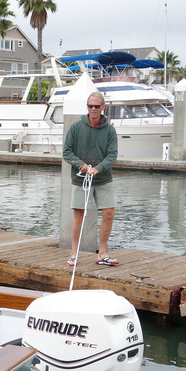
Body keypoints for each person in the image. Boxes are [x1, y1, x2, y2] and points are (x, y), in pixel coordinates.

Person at [62, 90, 119, 266]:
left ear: (103, 107)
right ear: (87, 107)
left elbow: (112, 155)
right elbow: (66, 152)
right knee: (78, 213)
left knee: (109, 213)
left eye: (96, 106)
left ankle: (102, 253)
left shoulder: (110, 130)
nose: (93, 109)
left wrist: (98, 168)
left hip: (103, 178)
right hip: (81, 178)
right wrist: (81, 165)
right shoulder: (75, 127)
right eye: (90, 106)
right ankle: (74, 253)